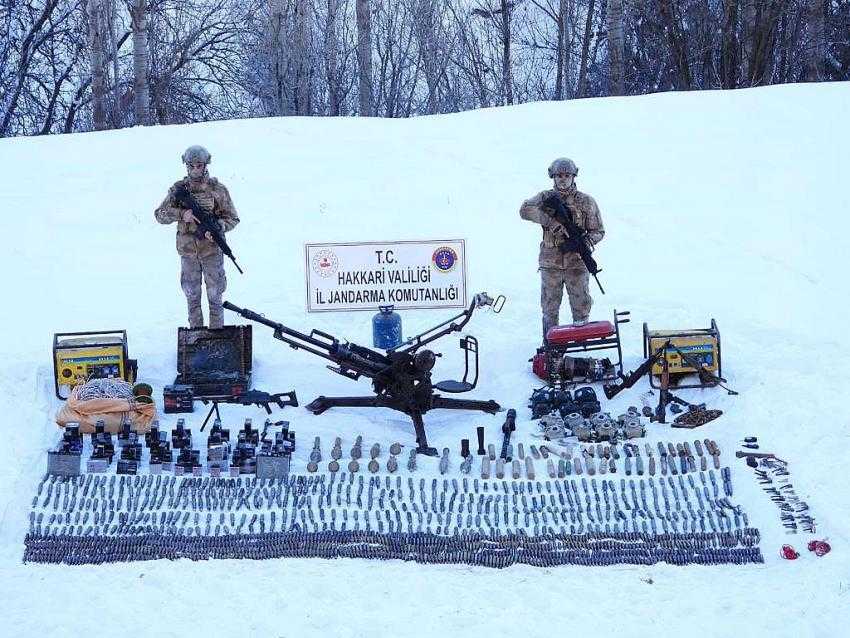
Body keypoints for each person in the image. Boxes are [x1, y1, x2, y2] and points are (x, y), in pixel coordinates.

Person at [520, 157, 605, 341]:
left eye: (567, 175)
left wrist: (585, 243)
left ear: (574, 176)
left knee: (581, 306)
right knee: (550, 308)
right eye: (559, 175)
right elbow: (524, 210)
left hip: (577, 264)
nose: (563, 179)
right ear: (553, 176)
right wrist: (551, 222)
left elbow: (598, 231)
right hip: (550, 264)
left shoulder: (586, 201)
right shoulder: (545, 198)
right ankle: (551, 348)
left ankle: (581, 345)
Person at [155, 145, 240, 329]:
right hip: (188, 253)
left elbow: (233, 218)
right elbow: (160, 214)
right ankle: (195, 337)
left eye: (199, 165)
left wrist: (219, 227)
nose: (195, 169)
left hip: (212, 252)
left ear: (205, 165)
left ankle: (217, 337)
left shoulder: (218, 190)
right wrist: (181, 214)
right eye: (191, 166)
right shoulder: (178, 190)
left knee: (215, 296)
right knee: (192, 297)